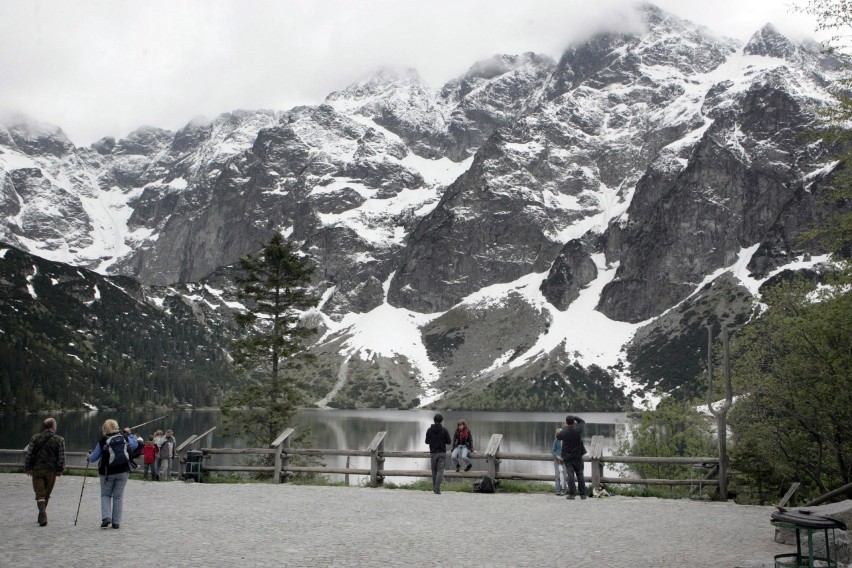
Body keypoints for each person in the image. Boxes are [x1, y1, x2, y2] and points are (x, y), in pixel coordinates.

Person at [87, 419, 138, 528]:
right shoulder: (124, 437)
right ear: (117, 427)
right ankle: (116, 522)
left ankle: (106, 517)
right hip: (123, 471)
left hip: (107, 472)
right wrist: (129, 434)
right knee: (118, 497)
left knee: (105, 495)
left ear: (104, 428)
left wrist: (88, 458)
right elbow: (134, 445)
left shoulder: (103, 440)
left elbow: (93, 458)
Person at [24, 417, 66, 526]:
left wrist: (28, 467)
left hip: (37, 470)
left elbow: (29, 454)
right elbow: (62, 458)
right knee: (46, 494)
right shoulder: (59, 440)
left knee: (40, 494)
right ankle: (43, 514)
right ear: (53, 426)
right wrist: (60, 470)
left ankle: (42, 514)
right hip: (51, 471)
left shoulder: (35, 438)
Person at [556, 415, 587, 500]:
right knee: (580, 474)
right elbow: (582, 422)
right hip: (578, 456)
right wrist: (575, 417)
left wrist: (564, 428)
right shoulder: (578, 429)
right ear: (573, 422)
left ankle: (572, 495)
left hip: (568, 457)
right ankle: (583, 494)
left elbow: (558, 436)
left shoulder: (565, 431)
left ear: (566, 422)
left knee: (570, 476)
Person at [424, 413, 451, 494]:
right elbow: (449, 442)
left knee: (434, 471)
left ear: (434, 420)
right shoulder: (444, 430)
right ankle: (437, 489)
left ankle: (435, 488)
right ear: (441, 421)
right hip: (442, 453)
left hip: (433, 453)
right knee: (440, 472)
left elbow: (426, 441)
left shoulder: (429, 430)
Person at [551, 426, 566, 496]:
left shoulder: (566, 441)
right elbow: (553, 451)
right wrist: (557, 457)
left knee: (564, 476)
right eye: (558, 433)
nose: (559, 435)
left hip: (565, 461)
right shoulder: (556, 441)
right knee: (557, 476)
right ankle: (557, 490)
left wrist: (564, 457)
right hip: (557, 461)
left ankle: (564, 490)